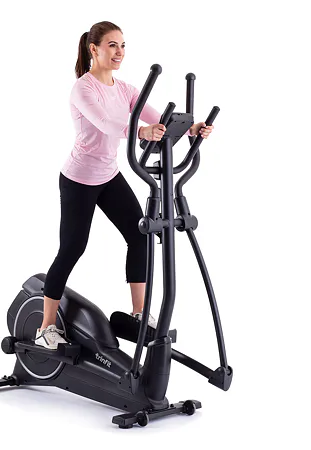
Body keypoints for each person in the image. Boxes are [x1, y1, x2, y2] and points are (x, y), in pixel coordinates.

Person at [35, 21, 214, 349]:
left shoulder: (126, 89)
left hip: (108, 175)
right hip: (79, 179)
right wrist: (140, 132)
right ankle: (45, 327)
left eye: (123, 45)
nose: (119, 52)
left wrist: (193, 128)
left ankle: (139, 313)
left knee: (139, 234)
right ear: (94, 49)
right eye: (112, 45)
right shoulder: (83, 89)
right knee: (73, 248)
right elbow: (106, 123)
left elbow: (157, 119)